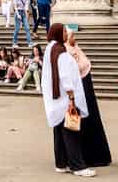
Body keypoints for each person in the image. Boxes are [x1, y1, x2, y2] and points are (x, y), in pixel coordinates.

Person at [42, 23, 94, 177]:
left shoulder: (50, 48)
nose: (66, 34)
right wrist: (71, 97)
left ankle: (61, 163)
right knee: (71, 131)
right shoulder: (61, 52)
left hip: (55, 97)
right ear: (58, 33)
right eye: (64, 31)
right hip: (65, 97)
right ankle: (78, 166)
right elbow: (65, 76)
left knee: (59, 130)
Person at [66, 27, 111, 169]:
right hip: (80, 91)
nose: (75, 39)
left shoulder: (76, 49)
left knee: (93, 120)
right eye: (72, 36)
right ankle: (88, 157)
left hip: (87, 90)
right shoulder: (68, 52)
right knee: (84, 123)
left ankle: (98, 156)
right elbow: (75, 70)